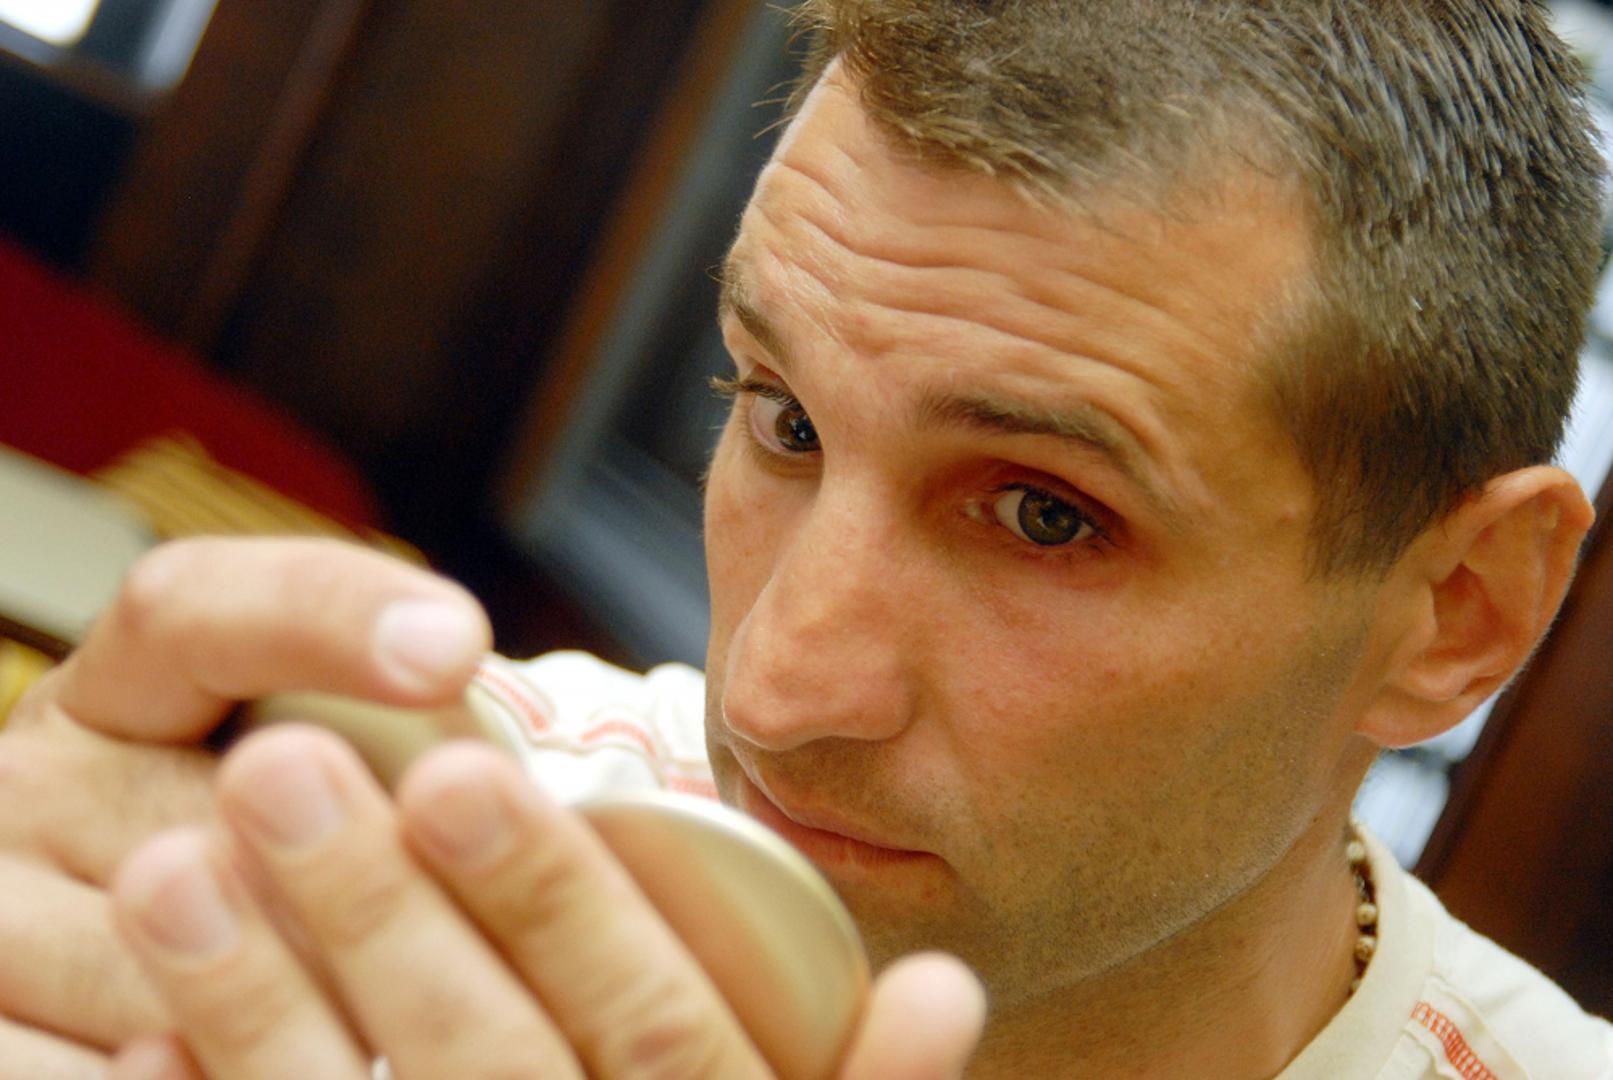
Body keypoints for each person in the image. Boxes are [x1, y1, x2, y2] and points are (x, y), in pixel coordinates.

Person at [3, 0, 1613, 1076]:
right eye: (782, 420)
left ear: (1456, 613)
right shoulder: (387, 842)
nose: (769, 695)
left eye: (1045, 514)